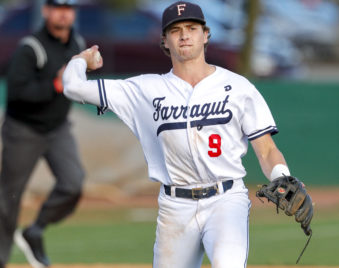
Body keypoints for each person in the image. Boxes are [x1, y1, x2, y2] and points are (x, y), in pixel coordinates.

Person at [63, 1, 311, 267]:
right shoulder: (144, 90)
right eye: (175, 30)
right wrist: (80, 60)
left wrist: (281, 176)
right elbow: (73, 87)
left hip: (225, 200)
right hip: (175, 206)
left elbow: (266, 149)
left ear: (206, 35)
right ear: (164, 41)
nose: (184, 35)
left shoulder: (238, 88)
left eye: (192, 28)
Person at [0, 0, 85, 268]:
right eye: (57, 7)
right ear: (46, 11)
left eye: (68, 7)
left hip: (58, 128)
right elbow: (17, 93)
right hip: (23, 129)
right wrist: (55, 84)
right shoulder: (31, 47)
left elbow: (77, 87)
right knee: (8, 198)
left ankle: (35, 230)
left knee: (73, 183)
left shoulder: (77, 45)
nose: (63, 12)